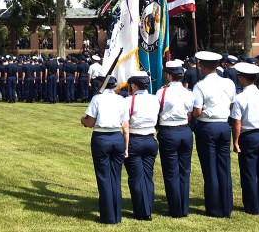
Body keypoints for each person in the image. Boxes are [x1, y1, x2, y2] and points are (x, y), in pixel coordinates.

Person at [191, 51, 236, 218]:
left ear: (202, 66)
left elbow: (196, 111)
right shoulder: (229, 83)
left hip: (207, 126)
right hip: (224, 125)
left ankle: (215, 208)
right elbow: (232, 104)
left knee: (210, 168)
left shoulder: (200, 86)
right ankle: (226, 206)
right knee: (224, 167)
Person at [81, 76, 129, 224]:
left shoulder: (97, 98)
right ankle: (116, 214)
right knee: (116, 177)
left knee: (104, 177)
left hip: (102, 137)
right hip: (117, 137)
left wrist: (82, 120)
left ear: (103, 84)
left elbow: (90, 122)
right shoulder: (121, 100)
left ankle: (108, 216)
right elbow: (125, 126)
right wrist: (126, 146)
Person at [230, 62, 259, 215]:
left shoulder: (240, 98)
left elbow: (237, 122)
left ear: (242, 78)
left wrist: (235, 141)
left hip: (249, 136)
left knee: (249, 173)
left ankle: (252, 206)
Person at [155, 60, 194, 218]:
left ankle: (175, 208)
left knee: (171, 172)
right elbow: (191, 113)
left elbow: (157, 112)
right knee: (184, 171)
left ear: (168, 75)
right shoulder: (188, 92)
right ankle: (183, 207)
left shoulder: (161, 92)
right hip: (185, 130)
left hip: (169, 130)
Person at [125, 72, 158, 221]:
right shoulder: (155, 99)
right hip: (150, 139)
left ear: (134, 85)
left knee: (136, 177)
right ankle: (148, 207)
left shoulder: (128, 101)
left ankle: (142, 211)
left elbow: (125, 123)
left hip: (135, 139)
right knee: (147, 176)